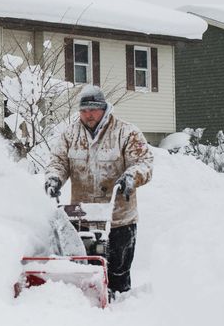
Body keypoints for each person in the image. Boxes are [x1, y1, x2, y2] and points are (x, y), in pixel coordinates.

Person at [44, 85, 153, 296]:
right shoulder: (70, 135)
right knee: (83, 272)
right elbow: (58, 161)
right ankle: (86, 310)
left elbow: (144, 162)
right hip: (81, 218)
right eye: (84, 110)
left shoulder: (125, 132)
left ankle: (119, 312)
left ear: (104, 108)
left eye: (93, 110)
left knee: (118, 276)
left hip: (119, 219)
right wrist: (54, 179)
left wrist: (132, 176)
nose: (88, 115)